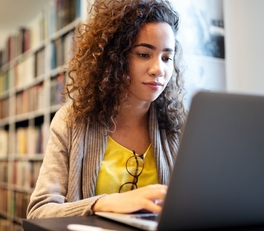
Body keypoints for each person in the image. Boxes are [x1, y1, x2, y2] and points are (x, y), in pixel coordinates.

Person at [27, 0, 186, 219]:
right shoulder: (71, 120)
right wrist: (105, 204)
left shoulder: (180, 125)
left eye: (167, 58)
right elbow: (39, 211)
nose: (158, 69)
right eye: (143, 54)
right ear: (114, 58)